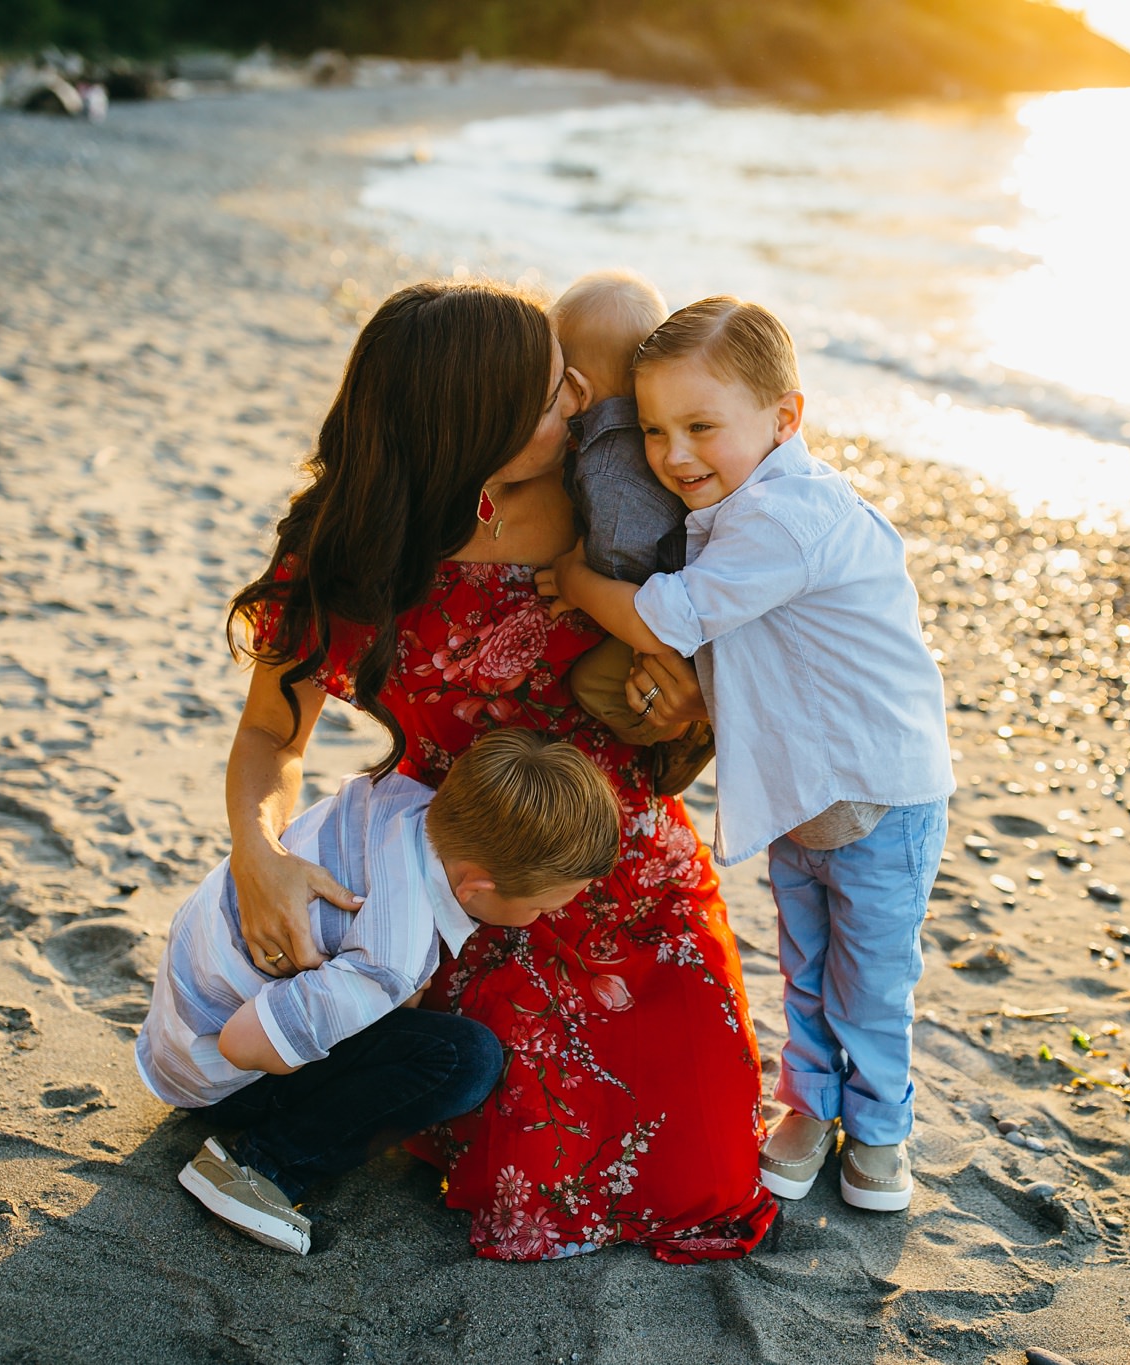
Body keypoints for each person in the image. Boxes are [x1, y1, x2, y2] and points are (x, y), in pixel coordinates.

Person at [221, 278, 778, 1261]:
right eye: (552, 391)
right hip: (460, 881)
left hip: (623, 854)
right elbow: (270, 737)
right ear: (471, 427)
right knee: (497, 1128)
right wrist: (256, 852)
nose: (583, 406)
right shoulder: (350, 548)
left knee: (705, 1180)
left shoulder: (614, 504)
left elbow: (759, 641)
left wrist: (686, 705)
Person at [538, 296, 955, 1213]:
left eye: (699, 427)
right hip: (799, 789)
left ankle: (882, 1129)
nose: (673, 454)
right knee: (805, 964)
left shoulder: (788, 515)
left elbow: (667, 615)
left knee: (874, 976)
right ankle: (811, 1108)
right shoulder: (733, 505)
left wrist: (574, 579)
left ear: (785, 418)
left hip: (881, 792)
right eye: (651, 430)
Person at [138, 729, 622, 1255]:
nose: (541, 920)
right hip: (214, 1073)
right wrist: (352, 1013)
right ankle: (257, 1166)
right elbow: (243, 1044)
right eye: (543, 908)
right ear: (477, 889)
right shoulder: (393, 955)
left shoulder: (395, 797)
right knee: (465, 1060)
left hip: (176, 1019)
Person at [549, 271, 713, 795]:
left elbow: (620, 557)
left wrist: (581, 584)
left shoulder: (604, 467)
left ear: (576, 388)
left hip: (653, 605)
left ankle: (671, 740)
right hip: (690, 586)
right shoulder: (669, 429)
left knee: (594, 685)